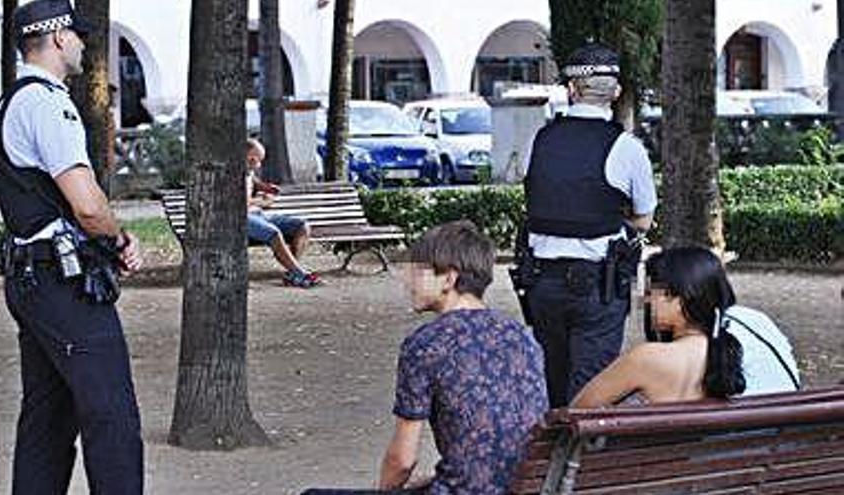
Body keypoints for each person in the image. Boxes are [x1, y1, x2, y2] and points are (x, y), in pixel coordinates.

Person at [0, 1, 144, 493]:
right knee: (112, 417)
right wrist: (118, 239)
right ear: (57, 38)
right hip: (62, 284)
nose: (81, 44)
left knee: (48, 421)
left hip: (33, 280)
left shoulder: (12, 100)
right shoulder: (47, 103)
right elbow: (88, 205)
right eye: (76, 36)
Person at [301, 221, 548, 494]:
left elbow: (403, 461)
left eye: (418, 271)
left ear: (448, 279)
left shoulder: (427, 344)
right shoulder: (522, 336)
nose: (407, 280)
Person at [521, 42, 658, 407]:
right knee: (591, 392)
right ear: (615, 92)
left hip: (542, 285)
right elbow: (644, 220)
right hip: (597, 285)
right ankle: (580, 463)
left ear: (571, 90)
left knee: (554, 381)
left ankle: (554, 458)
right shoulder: (626, 147)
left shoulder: (542, 139)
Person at [571, 247, 800, 408]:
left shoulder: (649, 359)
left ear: (679, 298)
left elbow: (577, 411)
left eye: (653, 293)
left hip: (703, 470)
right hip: (777, 462)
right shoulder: (756, 322)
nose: (646, 302)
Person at [245, 138, 319, 288]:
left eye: (259, 160)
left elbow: (253, 180)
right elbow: (241, 204)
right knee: (274, 233)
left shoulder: (248, 170)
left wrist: (265, 187)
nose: (258, 164)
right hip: (240, 219)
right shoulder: (229, 172)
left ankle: (293, 273)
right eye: (255, 159)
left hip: (257, 215)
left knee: (302, 226)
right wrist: (265, 202)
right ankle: (300, 273)